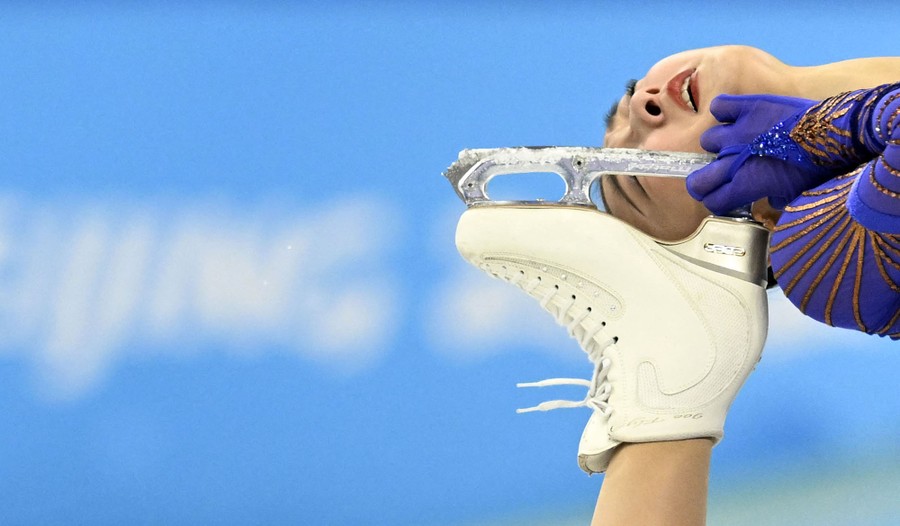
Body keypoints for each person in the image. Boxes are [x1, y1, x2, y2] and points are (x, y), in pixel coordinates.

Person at [588, 46, 899, 525]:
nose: (639, 106)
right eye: (635, 172)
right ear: (760, 219)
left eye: (628, 95)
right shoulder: (818, 249)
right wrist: (820, 131)